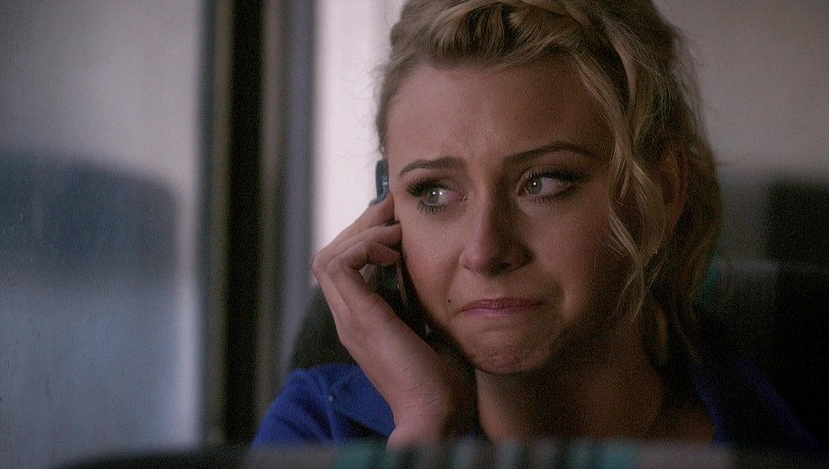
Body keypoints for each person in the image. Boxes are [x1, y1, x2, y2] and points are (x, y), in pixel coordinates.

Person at [254, 0, 824, 453]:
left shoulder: (790, 428)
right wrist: (427, 431)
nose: (485, 251)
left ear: (662, 191)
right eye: (434, 192)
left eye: (544, 183)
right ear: (387, 208)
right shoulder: (318, 431)